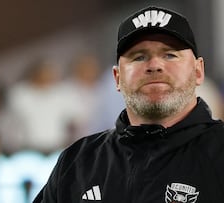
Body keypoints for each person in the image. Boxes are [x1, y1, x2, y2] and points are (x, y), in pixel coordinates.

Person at [33, 6, 224, 203]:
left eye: (170, 54)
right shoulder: (78, 163)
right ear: (117, 78)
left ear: (198, 71)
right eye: (139, 56)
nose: (154, 65)